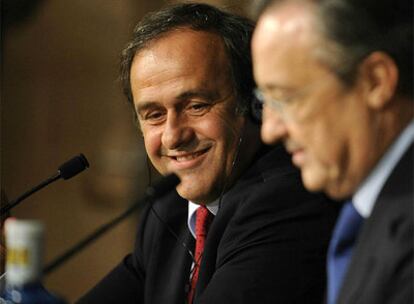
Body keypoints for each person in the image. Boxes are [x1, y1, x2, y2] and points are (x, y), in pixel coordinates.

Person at [78, 3, 338, 304]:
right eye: (154, 115)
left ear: (254, 105)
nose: (173, 135)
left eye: (196, 106)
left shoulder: (286, 200)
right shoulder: (169, 208)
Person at [252, 0, 413, 303]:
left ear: (375, 81)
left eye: (286, 98)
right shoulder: (368, 210)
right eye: (265, 101)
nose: (269, 130)